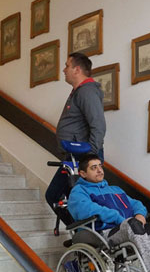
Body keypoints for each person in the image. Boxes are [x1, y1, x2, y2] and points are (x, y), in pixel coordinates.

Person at [45, 52, 106, 225]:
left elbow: (98, 125)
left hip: (83, 157)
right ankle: (81, 234)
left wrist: (90, 158)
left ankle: (84, 234)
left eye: (67, 66)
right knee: (71, 200)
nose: (64, 70)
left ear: (77, 69)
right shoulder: (79, 92)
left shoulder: (87, 91)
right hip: (73, 157)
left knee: (56, 195)